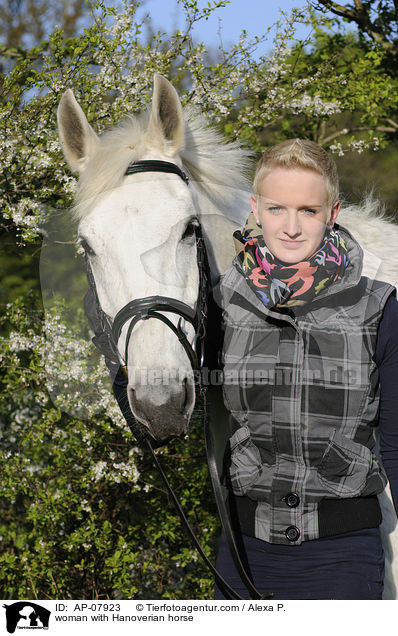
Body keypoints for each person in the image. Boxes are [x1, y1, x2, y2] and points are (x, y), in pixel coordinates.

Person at [214, 138, 398, 600]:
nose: (291, 227)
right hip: (242, 553)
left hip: (342, 555)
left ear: (332, 213)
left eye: (308, 211)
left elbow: (397, 441)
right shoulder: (221, 303)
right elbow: (176, 400)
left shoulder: (378, 307)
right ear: (255, 209)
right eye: (277, 209)